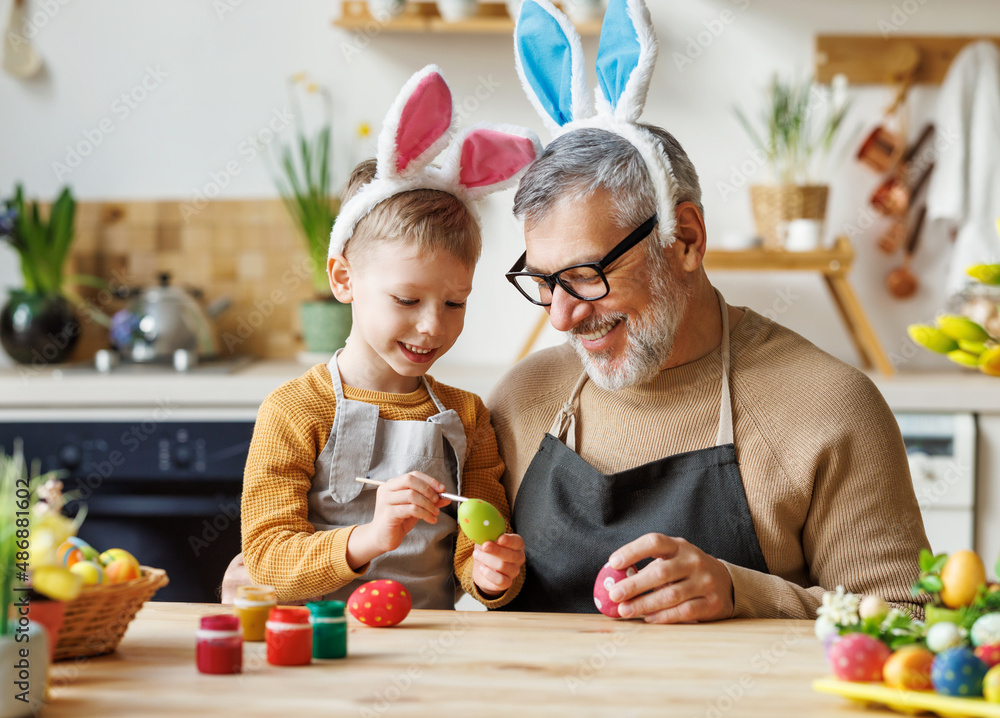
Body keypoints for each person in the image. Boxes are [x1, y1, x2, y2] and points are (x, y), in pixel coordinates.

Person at [489, 0, 929, 621]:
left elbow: (912, 622)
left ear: (686, 239)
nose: (561, 318)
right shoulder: (521, 399)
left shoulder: (830, 408)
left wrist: (743, 592)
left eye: (586, 276)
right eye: (543, 281)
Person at [239, 65, 540, 608]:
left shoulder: (468, 416)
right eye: (407, 300)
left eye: (455, 302)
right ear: (343, 278)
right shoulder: (293, 412)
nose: (433, 325)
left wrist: (494, 575)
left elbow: (475, 557)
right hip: (319, 651)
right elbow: (266, 560)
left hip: (427, 658)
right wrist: (370, 539)